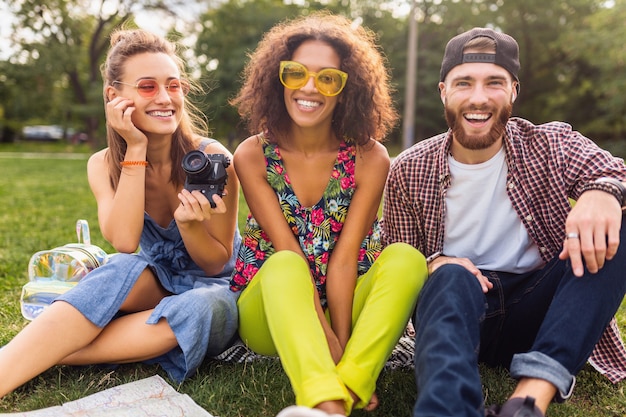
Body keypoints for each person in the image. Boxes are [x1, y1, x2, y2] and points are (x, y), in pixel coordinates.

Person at [382, 27, 626, 417]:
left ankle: (527, 401)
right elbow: (393, 263)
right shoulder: (408, 169)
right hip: (459, 315)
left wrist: (604, 192)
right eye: (464, 82)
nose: (478, 98)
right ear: (443, 91)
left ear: (513, 89)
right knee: (448, 277)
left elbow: (616, 173)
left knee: (621, 221)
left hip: (541, 313)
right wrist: (432, 264)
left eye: (493, 82)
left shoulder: (552, 144)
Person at [0, 28, 241, 397]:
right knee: (118, 267)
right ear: (115, 96)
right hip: (153, 279)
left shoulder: (212, 158)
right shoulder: (103, 164)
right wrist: (136, 147)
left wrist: (189, 226)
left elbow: (216, 265)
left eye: (173, 85)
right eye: (148, 86)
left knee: (199, 306)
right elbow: (126, 242)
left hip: (215, 286)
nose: (164, 98)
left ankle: (48, 351)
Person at [227, 11, 427, 417]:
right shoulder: (251, 155)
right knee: (285, 262)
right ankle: (327, 401)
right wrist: (330, 345)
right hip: (271, 311)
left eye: (328, 78)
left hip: (344, 298)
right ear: (277, 78)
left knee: (407, 259)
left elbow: (345, 260)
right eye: (296, 73)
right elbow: (289, 253)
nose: (310, 87)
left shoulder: (370, 157)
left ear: (346, 89)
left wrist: (341, 341)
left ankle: (354, 379)